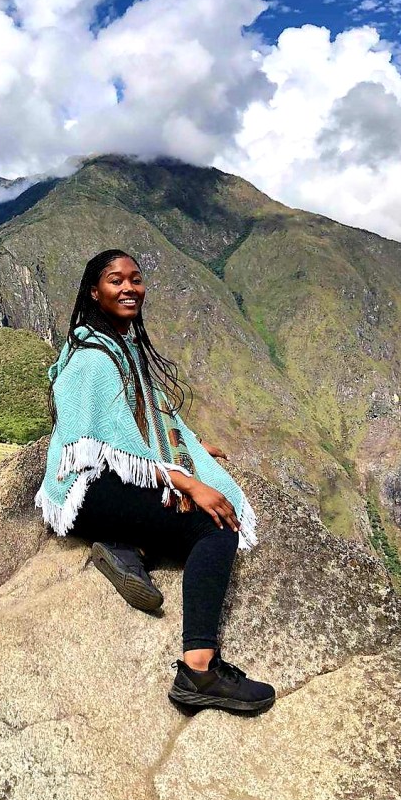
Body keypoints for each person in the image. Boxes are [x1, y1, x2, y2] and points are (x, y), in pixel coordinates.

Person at [35, 249, 275, 715]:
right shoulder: (93, 359)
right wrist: (185, 482)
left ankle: (129, 547)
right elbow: (105, 441)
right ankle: (198, 670)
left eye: (135, 279)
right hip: (89, 490)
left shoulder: (119, 343)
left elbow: (147, 418)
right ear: (94, 292)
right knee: (215, 526)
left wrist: (191, 448)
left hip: (108, 485)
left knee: (190, 513)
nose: (128, 288)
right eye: (115, 280)